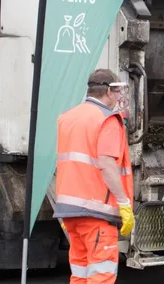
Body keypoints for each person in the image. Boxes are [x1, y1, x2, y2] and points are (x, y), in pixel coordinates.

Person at [52, 69, 135, 284]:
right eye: (116, 92)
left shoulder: (67, 118)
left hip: (70, 213)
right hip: (97, 213)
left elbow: (66, 165)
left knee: (80, 273)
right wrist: (124, 203)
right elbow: (107, 165)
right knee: (101, 275)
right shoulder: (107, 120)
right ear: (108, 91)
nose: (118, 97)